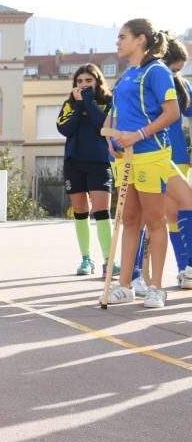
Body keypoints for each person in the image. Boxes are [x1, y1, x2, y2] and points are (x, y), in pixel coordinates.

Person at [105, 20, 191, 308]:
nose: (117, 42)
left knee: (155, 221)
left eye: (122, 37)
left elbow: (172, 112)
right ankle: (125, 285)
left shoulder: (157, 71)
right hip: (125, 158)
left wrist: (139, 135)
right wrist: (112, 137)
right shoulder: (128, 75)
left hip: (151, 155)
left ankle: (157, 288)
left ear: (140, 40)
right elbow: (115, 114)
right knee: (130, 221)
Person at [55, 64, 115, 276]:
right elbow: (64, 128)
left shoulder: (108, 102)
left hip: (99, 163)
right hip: (74, 164)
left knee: (102, 211)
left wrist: (88, 102)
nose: (83, 85)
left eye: (88, 80)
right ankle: (86, 259)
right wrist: (79, 105)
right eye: (79, 81)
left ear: (97, 81)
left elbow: (103, 125)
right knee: (80, 212)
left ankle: (109, 260)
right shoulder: (70, 105)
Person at [162, 38, 192, 288]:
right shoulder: (150, 81)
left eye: (179, 70)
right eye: (172, 68)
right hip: (153, 154)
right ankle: (183, 268)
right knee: (166, 215)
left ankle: (185, 269)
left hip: (179, 156)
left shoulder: (184, 87)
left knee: (178, 211)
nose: (175, 74)